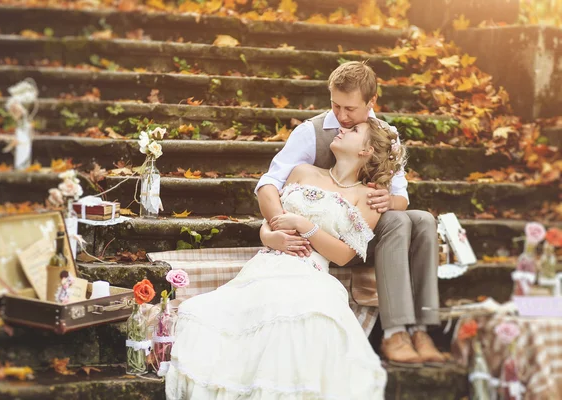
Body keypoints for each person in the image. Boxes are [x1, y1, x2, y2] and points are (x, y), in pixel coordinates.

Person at [165, 118, 401, 399]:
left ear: (367, 150)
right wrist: (268, 236)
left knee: (296, 322)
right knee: (206, 316)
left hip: (310, 271)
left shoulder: (368, 196)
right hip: (267, 263)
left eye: (353, 130)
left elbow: (344, 254)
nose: (341, 129)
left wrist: (305, 226)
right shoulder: (302, 172)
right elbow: (273, 220)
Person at [256, 61, 446, 365]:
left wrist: (387, 200)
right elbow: (269, 183)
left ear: (371, 103)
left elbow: (401, 199)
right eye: (335, 105)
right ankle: (395, 332)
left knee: (423, 220)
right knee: (398, 221)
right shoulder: (312, 132)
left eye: (351, 109)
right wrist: (279, 227)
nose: (341, 116)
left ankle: (422, 328)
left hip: (368, 222)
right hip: (334, 228)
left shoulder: (385, 135)